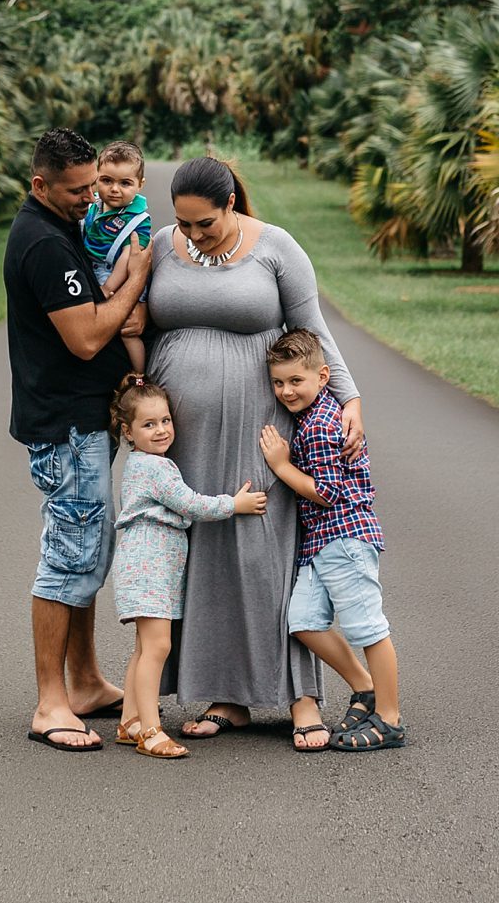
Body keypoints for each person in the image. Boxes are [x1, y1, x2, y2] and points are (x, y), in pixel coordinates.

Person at [143, 154, 368, 752]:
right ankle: (226, 696)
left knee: (265, 551)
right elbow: (136, 324)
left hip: (260, 428)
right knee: (207, 550)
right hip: (184, 434)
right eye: (183, 224)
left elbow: (312, 328)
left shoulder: (276, 247)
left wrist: (349, 398)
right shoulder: (161, 245)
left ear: (231, 206)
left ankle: (302, 696)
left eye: (204, 225)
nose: (191, 235)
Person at [5, 128, 153, 753]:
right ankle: (50, 703)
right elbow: (87, 338)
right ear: (40, 185)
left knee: (89, 548)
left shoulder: (69, 222)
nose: (91, 197)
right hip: (64, 423)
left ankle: (86, 681)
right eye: (76, 189)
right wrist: (135, 279)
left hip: (85, 417)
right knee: (68, 555)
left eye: (95, 183)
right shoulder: (42, 242)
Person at [258, 327, 405, 752]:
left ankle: (390, 718)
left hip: (345, 538)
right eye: (279, 382)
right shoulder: (310, 417)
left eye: (296, 381)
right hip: (319, 545)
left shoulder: (323, 424)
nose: (286, 391)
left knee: (369, 629)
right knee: (302, 622)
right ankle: (366, 687)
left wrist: (281, 466)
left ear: (324, 376)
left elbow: (327, 492)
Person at [107, 374, 268, 759]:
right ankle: (150, 730)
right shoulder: (156, 469)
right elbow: (191, 504)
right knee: (157, 647)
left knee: (144, 648)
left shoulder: (146, 464)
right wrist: (235, 504)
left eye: (165, 420)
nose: (161, 430)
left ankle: (131, 722)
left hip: (145, 569)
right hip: (149, 571)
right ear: (128, 432)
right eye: (149, 424)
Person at [82, 141, 152, 375]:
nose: (114, 189)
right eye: (107, 181)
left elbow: (128, 257)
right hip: (93, 268)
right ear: (96, 178)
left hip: (121, 276)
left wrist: (109, 287)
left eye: (125, 183)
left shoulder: (138, 219)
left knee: (127, 330)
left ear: (139, 185)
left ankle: (139, 374)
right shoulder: (94, 207)